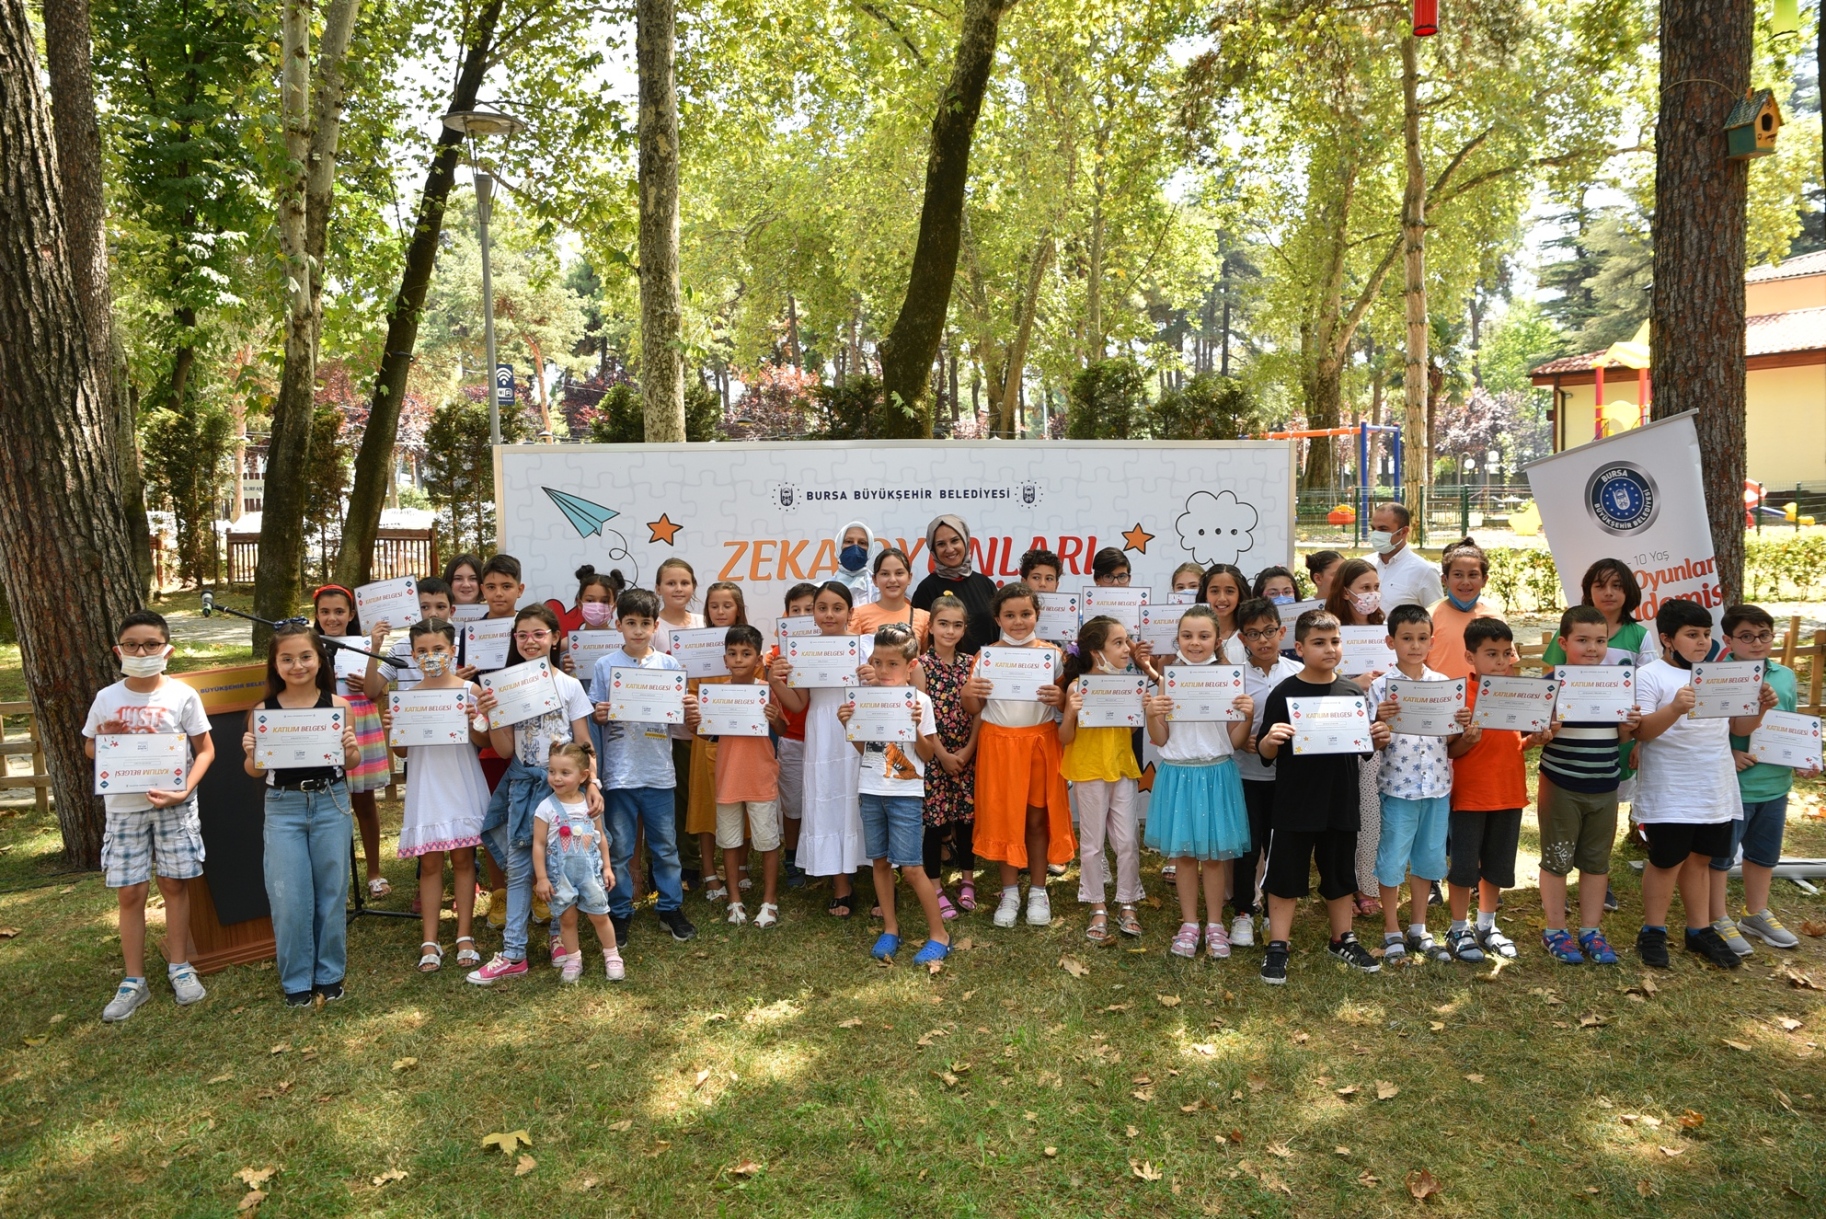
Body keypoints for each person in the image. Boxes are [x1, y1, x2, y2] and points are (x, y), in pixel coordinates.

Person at [83, 610, 216, 1021]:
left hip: (175, 807)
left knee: (174, 884)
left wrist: (185, 789)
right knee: (130, 892)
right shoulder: (107, 698)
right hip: (124, 808)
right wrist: (107, 743)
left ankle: (180, 966)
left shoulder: (182, 695)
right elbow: (90, 747)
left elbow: (205, 750)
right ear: (118, 650)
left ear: (167, 650)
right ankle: (133, 980)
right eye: (132, 645)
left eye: (151, 645)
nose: (141, 653)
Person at [1630, 599, 1772, 970]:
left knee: (1701, 859)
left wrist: (1760, 708)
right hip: (1670, 789)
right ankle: (1653, 931)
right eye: (1691, 635)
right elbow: (1641, 732)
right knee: (1666, 860)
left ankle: (1699, 930)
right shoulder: (1650, 675)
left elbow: (1738, 727)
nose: (1702, 642)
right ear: (1667, 639)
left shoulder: (1718, 674)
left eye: (1706, 634)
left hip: (1714, 785)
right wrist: (1675, 708)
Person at [466, 605, 603, 984]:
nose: (530, 641)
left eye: (539, 634)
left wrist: (592, 782)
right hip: (522, 789)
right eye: (522, 635)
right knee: (520, 868)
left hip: (564, 792)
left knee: (562, 866)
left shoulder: (570, 685)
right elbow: (505, 750)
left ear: (555, 638)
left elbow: (584, 742)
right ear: (514, 640)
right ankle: (513, 952)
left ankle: (560, 937)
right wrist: (492, 716)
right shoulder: (503, 686)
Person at [1255, 610, 1392, 984]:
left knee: (1340, 872)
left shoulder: (1351, 692)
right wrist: (1271, 740)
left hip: (1340, 800)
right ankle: (1278, 945)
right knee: (1285, 875)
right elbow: (1265, 751)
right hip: (1295, 803)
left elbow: (1363, 749)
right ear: (1299, 648)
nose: (1329, 649)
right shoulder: (1284, 693)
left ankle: (1342, 938)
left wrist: (1378, 738)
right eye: (1319, 642)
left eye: (1335, 641)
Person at [241, 623, 362, 1006]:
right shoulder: (263, 712)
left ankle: (329, 974)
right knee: (289, 896)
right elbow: (255, 771)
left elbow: (351, 762)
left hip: (331, 802)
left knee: (331, 891)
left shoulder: (338, 706)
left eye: (306, 656)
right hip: (284, 807)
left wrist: (350, 747)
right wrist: (251, 753)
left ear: (319, 660)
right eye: (287, 659)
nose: (297, 666)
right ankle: (296, 979)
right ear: (275, 665)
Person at [1143, 606, 1254, 959]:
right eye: (1187, 636)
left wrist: (1247, 715)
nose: (1195, 643)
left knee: (1215, 857)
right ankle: (1190, 923)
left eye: (1204, 636)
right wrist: (1152, 714)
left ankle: (1215, 924)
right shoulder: (1168, 680)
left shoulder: (1229, 679)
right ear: (1177, 639)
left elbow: (1235, 741)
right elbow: (1161, 737)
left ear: (1217, 640)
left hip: (1216, 773)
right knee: (1186, 856)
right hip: (1178, 773)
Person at [591, 587, 700, 948]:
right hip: (619, 775)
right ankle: (620, 911)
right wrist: (600, 714)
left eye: (645, 624)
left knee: (665, 846)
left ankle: (670, 908)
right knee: (620, 848)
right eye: (631, 623)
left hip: (658, 774)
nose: (638, 631)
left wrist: (687, 708)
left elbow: (679, 719)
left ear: (655, 626)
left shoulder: (669, 666)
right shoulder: (604, 666)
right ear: (618, 625)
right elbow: (595, 715)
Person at [963, 582, 1074, 928]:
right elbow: (973, 707)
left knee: (1037, 819)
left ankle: (1038, 890)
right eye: (1009, 615)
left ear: (1037, 615)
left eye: (1025, 613)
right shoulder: (986, 656)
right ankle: (1010, 891)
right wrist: (970, 691)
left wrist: (1060, 699)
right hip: (998, 746)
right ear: (997, 618)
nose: (1018, 621)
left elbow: (1065, 704)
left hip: (1039, 744)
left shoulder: (1053, 656)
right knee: (1004, 818)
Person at [838, 623, 950, 964]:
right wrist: (849, 725)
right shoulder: (864, 699)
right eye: (878, 662)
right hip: (870, 789)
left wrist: (914, 726)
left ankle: (939, 934)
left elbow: (927, 756)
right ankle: (890, 928)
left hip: (905, 795)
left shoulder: (921, 702)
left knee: (913, 868)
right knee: (880, 862)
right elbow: (864, 750)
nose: (884, 670)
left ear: (911, 665)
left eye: (893, 664)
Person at [1444, 618, 1554, 963]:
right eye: (1491, 654)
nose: (1501, 661)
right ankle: (1458, 928)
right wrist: (1466, 739)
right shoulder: (1460, 696)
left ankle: (1486, 925)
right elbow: (1450, 750)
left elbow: (1515, 743)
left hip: (1508, 793)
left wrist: (1534, 740)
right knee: (1464, 867)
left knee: (1496, 864)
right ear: (1470, 656)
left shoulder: (1517, 693)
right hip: (1470, 795)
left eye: (1506, 653)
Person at [1535, 606, 1637, 965]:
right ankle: (1555, 930)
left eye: (1600, 641)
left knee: (1596, 862)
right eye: (1582, 640)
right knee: (1557, 858)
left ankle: (1591, 931)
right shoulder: (1550, 684)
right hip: (1560, 784)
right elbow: (1533, 735)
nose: (1592, 649)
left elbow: (1622, 737)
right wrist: (1545, 729)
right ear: (1563, 643)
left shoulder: (1618, 684)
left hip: (1605, 785)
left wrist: (1629, 727)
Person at [1365, 605, 1467, 964]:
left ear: (1432, 641)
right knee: (1392, 859)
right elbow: (1371, 742)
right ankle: (1392, 929)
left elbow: (1450, 740)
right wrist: (1379, 723)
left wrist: (1461, 725)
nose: (1415, 645)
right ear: (1390, 641)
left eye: (1422, 638)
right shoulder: (1380, 688)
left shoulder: (1443, 685)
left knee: (1428, 858)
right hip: (1398, 787)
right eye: (1407, 638)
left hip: (1437, 787)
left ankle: (1418, 927)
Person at [391, 618, 491, 973]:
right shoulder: (407, 698)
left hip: (460, 779)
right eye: (422, 651)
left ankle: (464, 934)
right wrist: (393, 729)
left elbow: (484, 742)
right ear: (412, 654)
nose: (430, 656)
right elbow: (402, 751)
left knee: (464, 859)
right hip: (427, 783)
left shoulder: (470, 690)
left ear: (452, 650)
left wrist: (472, 721)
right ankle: (429, 940)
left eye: (437, 649)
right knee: (430, 863)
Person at [767, 581, 868, 915]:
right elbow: (798, 704)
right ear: (813, 614)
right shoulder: (803, 650)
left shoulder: (865, 647)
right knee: (828, 799)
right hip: (822, 732)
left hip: (857, 729)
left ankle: (875, 876)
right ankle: (841, 885)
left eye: (837, 608)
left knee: (862, 800)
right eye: (821, 608)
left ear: (850, 613)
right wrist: (775, 680)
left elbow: (887, 688)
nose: (829, 614)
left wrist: (872, 676)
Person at [1717, 603, 1811, 951]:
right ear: (1728, 640)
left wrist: (1803, 757)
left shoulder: (1784, 675)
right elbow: (1706, 728)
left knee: (1763, 854)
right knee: (1719, 857)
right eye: (1746, 636)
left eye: (1763, 635)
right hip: (1734, 785)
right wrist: (1729, 752)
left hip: (1775, 784)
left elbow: (1792, 723)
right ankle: (1717, 917)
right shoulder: (1719, 676)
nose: (1756, 643)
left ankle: (1755, 913)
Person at [1058, 616, 1145, 944]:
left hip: (1121, 767)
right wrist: (1070, 712)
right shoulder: (1076, 687)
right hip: (1089, 770)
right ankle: (1097, 905)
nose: (1127, 649)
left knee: (1127, 840)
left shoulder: (1129, 684)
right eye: (1118, 643)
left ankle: (1127, 902)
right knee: (1093, 843)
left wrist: (1139, 709)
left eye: (1127, 641)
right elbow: (1065, 738)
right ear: (1096, 652)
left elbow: (1130, 730)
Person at [310, 585, 391, 900]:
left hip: (360, 722)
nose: (332, 618)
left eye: (339, 611)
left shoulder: (363, 644)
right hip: (323, 724)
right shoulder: (309, 646)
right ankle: (334, 879)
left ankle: (374, 873)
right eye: (325, 612)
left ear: (351, 614)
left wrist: (371, 661)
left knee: (364, 801)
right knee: (329, 805)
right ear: (316, 615)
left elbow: (376, 691)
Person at [1230, 597, 1300, 947]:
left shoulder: (1297, 673)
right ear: (1242, 639)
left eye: (1269, 631)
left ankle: (1274, 911)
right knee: (1247, 847)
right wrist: (1238, 738)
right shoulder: (1234, 678)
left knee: (1279, 847)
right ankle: (1244, 911)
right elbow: (1224, 726)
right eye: (1254, 634)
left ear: (1282, 632)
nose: (1263, 640)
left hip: (1285, 781)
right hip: (1245, 777)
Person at [1325, 558, 1388, 917]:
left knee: (1369, 809)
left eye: (1375, 587)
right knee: (1339, 812)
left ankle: (1366, 885)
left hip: (1376, 732)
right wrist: (1354, 683)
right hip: (1335, 730)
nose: (1371, 594)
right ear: (1345, 591)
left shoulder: (1384, 630)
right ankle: (1340, 886)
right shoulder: (1330, 629)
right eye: (1365, 588)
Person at [532, 741, 625, 982]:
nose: (556, 778)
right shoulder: (545, 808)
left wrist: (607, 867)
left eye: (565, 772)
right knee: (567, 918)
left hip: (590, 874)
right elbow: (539, 844)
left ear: (583, 776)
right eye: (552, 771)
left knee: (599, 915)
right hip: (560, 876)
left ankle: (612, 955)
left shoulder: (590, 804)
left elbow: (600, 836)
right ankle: (573, 958)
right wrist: (541, 878)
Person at [713, 625, 784, 927]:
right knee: (729, 841)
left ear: (757, 659)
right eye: (732, 653)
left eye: (746, 653)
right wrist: (695, 722)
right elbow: (707, 733)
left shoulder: (766, 689)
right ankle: (734, 900)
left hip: (760, 776)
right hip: (728, 776)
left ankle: (770, 900)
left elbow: (782, 729)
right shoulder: (716, 693)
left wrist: (775, 718)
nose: (739, 659)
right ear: (725, 659)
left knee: (767, 841)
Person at [917, 594, 981, 915]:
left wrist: (968, 750)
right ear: (930, 626)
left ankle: (967, 880)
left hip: (966, 754)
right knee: (935, 821)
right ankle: (935, 886)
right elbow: (920, 717)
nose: (950, 631)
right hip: (934, 756)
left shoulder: (972, 664)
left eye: (957, 625)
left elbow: (979, 712)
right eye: (943, 624)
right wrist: (941, 754)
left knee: (967, 820)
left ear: (964, 628)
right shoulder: (920, 666)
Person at [687, 580, 747, 904]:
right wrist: (692, 708)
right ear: (706, 610)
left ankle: (742, 866)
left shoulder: (749, 642)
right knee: (707, 806)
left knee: (744, 801)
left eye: (727, 605)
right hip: (707, 738)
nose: (720, 611)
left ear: (739, 609)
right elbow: (691, 693)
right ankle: (710, 871)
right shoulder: (697, 647)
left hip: (744, 740)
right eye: (714, 606)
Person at [653, 557, 705, 880]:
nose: (678, 588)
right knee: (666, 800)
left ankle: (693, 862)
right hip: (662, 731)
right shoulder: (652, 627)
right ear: (658, 588)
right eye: (670, 583)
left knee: (692, 797)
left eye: (684, 583)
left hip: (698, 728)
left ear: (694, 587)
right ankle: (667, 864)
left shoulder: (703, 623)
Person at [769, 582, 818, 887]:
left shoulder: (835, 648)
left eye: (809, 610)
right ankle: (791, 854)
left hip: (826, 738)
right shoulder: (776, 655)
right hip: (793, 737)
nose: (801, 616)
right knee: (793, 803)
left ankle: (820, 856)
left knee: (822, 799)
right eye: (795, 610)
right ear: (785, 615)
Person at [911, 515, 998, 654]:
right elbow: (921, 640)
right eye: (941, 544)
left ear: (965, 541)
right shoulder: (926, 589)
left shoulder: (985, 584)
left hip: (987, 665)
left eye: (954, 540)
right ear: (933, 549)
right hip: (942, 667)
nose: (950, 549)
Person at [1425, 538, 1500, 680]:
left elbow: (1507, 667)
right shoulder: (1429, 617)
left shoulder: (1494, 617)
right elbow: (1416, 665)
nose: (1465, 582)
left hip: (1482, 693)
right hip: (1440, 693)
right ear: (1445, 580)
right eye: (1458, 575)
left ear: (1484, 580)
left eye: (1473, 575)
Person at [1367, 502, 1443, 612]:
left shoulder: (1424, 571)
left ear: (1403, 532)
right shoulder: (1365, 565)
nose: (1376, 534)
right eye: (1373, 529)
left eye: (1383, 529)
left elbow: (1436, 615)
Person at [851, 547, 931, 648]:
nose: (892, 580)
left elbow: (928, 657)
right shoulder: (858, 616)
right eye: (885, 574)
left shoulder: (924, 618)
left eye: (899, 573)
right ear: (875, 579)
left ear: (909, 578)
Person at [548, 563, 626, 638]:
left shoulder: (624, 642)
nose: (597, 607)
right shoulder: (567, 644)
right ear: (579, 603)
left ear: (614, 606)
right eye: (590, 600)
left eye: (604, 601)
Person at [1194, 563, 1250, 663]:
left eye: (1229, 591)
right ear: (1205, 595)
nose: (1222, 598)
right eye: (1215, 591)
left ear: (1239, 596)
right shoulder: (1193, 636)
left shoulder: (1249, 635)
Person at [832, 520, 879, 607]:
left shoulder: (881, 592)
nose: (855, 548)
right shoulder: (820, 590)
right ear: (839, 546)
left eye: (862, 543)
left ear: (870, 550)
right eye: (849, 541)